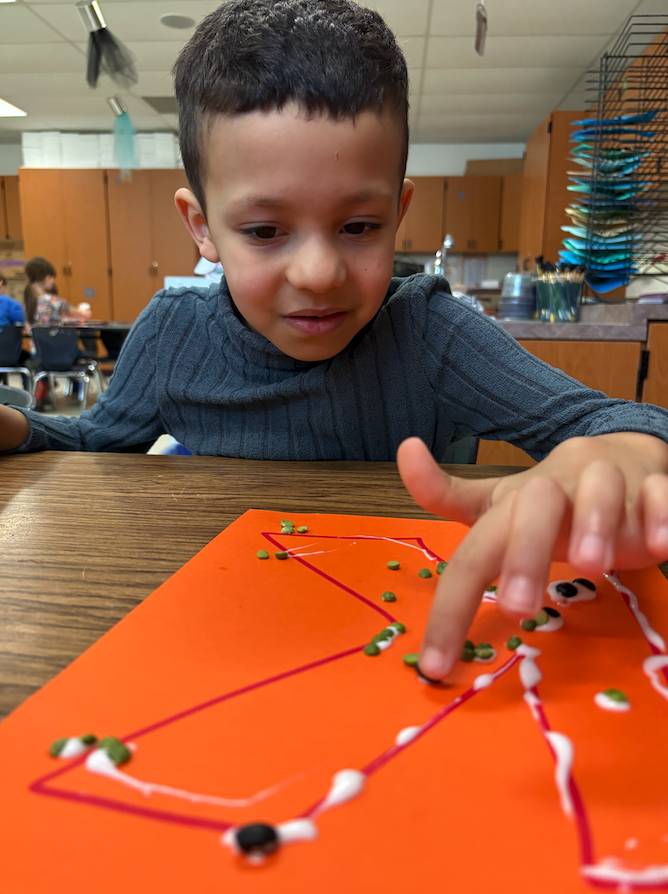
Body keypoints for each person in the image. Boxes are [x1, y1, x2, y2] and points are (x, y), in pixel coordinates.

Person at [1, 0, 668, 680]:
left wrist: (623, 455)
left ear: (398, 213)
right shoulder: (174, 331)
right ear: (201, 226)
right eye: (264, 231)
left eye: (358, 226)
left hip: (388, 643)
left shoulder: (431, 334)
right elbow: (94, 442)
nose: (319, 275)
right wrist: (17, 426)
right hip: (221, 638)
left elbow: (612, 420)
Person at [23, 257, 92, 406]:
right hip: (58, 352)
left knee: (71, 354)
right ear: (48, 277)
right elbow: (80, 314)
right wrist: (83, 309)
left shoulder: (28, 300)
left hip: (38, 351)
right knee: (82, 355)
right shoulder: (52, 301)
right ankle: (77, 392)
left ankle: (45, 390)